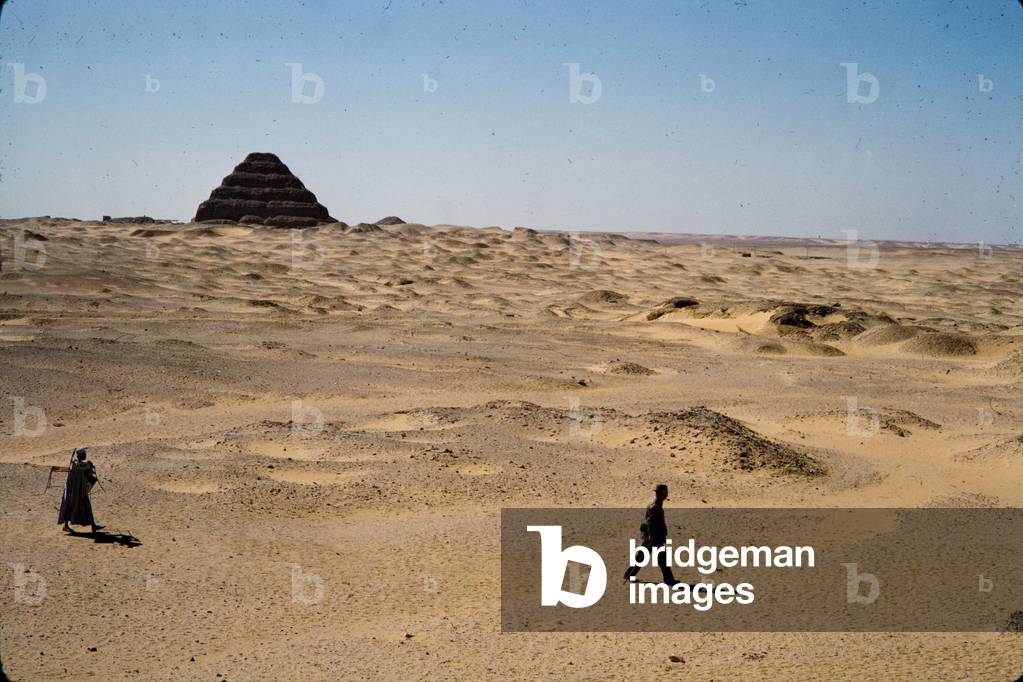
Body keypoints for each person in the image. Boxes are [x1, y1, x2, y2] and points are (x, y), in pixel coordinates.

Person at [623, 483, 678, 585]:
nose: (666, 496)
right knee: (660, 558)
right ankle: (669, 580)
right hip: (654, 536)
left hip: (654, 536)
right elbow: (650, 523)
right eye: (664, 493)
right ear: (660, 494)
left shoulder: (656, 505)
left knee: (642, 556)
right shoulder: (655, 507)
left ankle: (629, 574)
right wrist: (652, 537)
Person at [58, 448, 104, 533]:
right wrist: (90, 465)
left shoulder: (78, 464)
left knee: (87, 506)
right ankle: (66, 526)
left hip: (80, 489)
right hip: (73, 491)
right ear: (81, 455)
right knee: (70, 506)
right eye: (84, 454)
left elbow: (87, 470)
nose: (85, 455)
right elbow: (86, 465)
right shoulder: (76, 464)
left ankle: (93, 526)